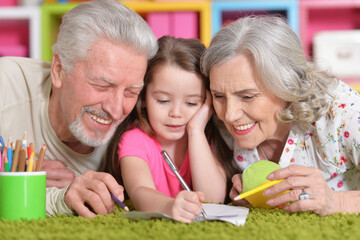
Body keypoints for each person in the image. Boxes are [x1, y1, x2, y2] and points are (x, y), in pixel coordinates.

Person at [0, 0, 158, 217]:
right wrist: (18, 184)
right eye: (102, 85)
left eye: (131, 92)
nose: (115, 110)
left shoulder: (144, 121)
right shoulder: (5, 85)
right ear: (58, 69)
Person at [200, 15, 360, 216]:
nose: (230, 115)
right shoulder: (218, 121)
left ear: (287, 85)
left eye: (247, 96)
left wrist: (336, 201)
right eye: (219, 95)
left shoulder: (343, 112)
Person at [105, 36, 237, 223]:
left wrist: (196, 131)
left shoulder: (203, 138)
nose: (176, 113)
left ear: (207, 102)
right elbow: (139, 191)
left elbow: (212, 199)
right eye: (163, 100)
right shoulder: (134, 141)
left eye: (191, 103)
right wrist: (170, 206)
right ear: (143, 98)